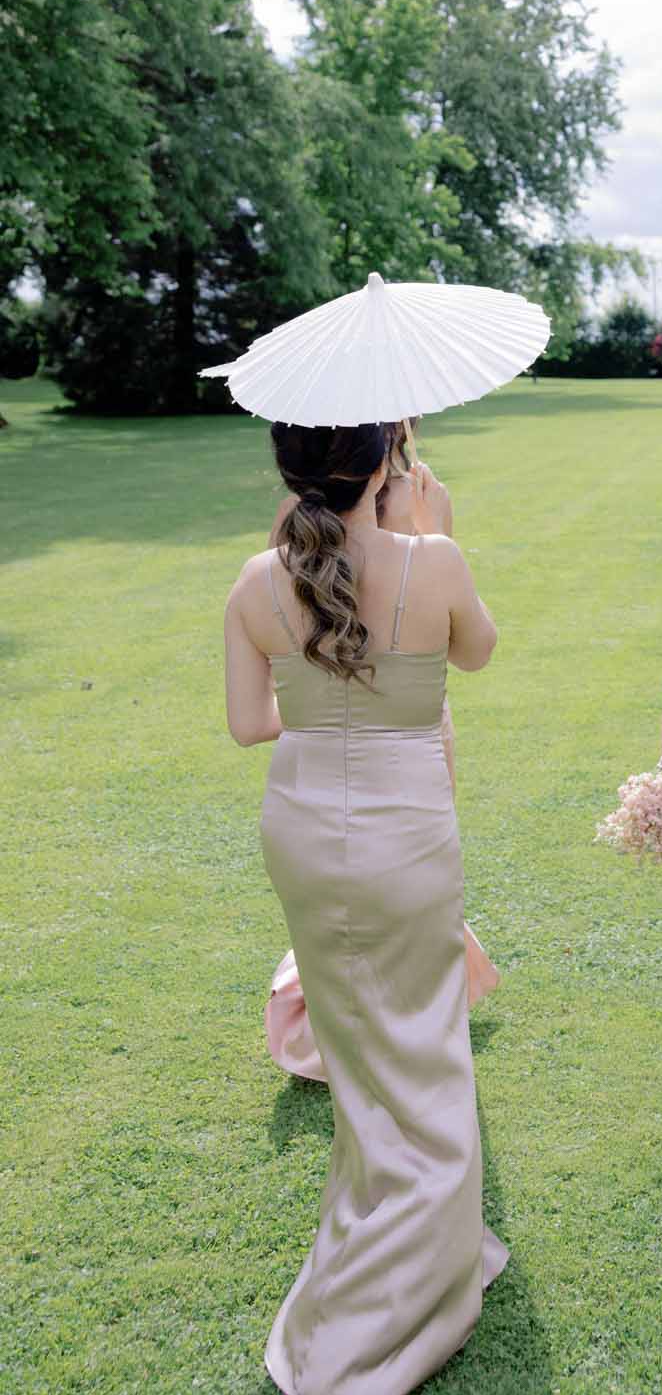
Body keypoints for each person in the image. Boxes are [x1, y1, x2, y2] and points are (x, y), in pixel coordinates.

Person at [224, 421, 507, 1395]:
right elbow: (477, 652)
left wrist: (323, 693)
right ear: (383, 461)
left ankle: (376, 1228)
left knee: (355, 1041)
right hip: (404, 827)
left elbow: (251, 723)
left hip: (302, 824)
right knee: (423, 1046)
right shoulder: (430, 558)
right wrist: (430, 531)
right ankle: (409, 1287)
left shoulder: (254, 583)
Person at [263, 424, 497, 1080]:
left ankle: (404, 1016)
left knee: (396, 886)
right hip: (374, 734)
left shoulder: (404, 483)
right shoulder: (311, 519)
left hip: (397, 729)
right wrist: (438, 539)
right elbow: (472, 647)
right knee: (371, 879)